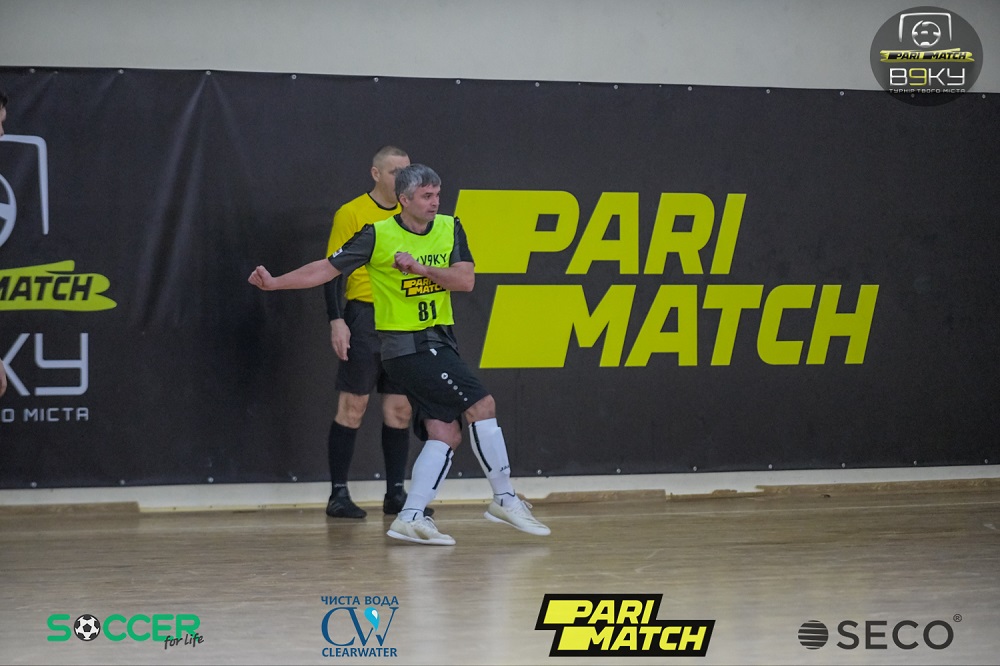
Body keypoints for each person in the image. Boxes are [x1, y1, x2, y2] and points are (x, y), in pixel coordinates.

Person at [249, 164, 550, 545]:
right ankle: (504, 498)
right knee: (482, 405)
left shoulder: (450, 227)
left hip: (440, 341)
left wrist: (419, 267)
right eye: (426, 196)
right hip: (407, 346)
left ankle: (410, 516)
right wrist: (275, 283)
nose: (434, 202)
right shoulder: (378, 234)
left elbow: (465, 280)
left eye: (437, 194)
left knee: (444, 432)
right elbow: (325, 269)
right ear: (404, 200)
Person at [321, 145, 429, 520]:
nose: (403, 177)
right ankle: (338, 494)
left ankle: (395, 493)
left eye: (407, 171)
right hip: (364, 316)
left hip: (402, 318)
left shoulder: (411, 214)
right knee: (354, 405)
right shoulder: (352, 213)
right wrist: (337, 320)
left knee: (399, 409)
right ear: (376, 174)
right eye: (395, 171)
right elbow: (331, 270)